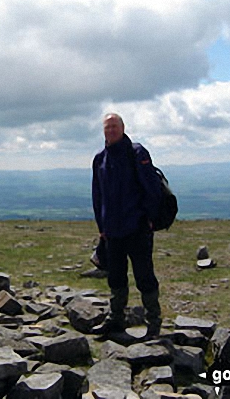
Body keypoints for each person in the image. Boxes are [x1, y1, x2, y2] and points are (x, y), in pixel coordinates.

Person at [92, 113, 163, 337]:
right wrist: (101, 226)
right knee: (116, 276)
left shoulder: (137, 152)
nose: (111, 131)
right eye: (107, 128)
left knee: (144, 276)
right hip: (112, 230)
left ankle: (153, 323)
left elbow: (152, 188)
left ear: (123, 128)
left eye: (114, 126)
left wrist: (149, 219)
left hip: (137, 227)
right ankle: (116, 320)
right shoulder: (100, 159)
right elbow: (98, 195)